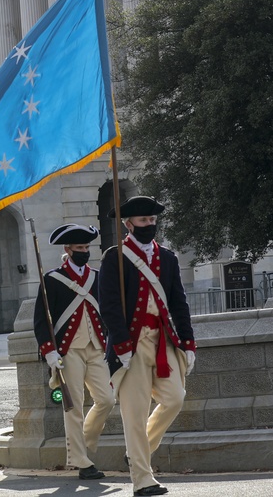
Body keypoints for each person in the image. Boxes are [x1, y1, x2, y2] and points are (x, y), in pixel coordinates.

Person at [99, 196, 196, 497]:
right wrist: (122, 343)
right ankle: (142, 478)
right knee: (135, 413)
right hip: (132, 345)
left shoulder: (167, 258)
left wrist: (188, 341)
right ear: (128, 225)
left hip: (164, 340)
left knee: (175, 399)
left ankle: (137, 453)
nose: (149, 225)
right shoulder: (113, 258)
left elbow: (179, 303)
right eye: (143, 221)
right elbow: (109, 306)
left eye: (152, 221)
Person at [33, 224, 114, 481]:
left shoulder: (97, 277)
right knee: (73, 407)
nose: (84, 252)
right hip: (68, 351)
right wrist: (49, 351)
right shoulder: (52, 280)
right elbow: (41, 321)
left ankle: (84, 442)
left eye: (86, 247)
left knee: (107, 399)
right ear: (67, 250)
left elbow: (107, 312)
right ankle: (81, 461)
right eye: (79, 248)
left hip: (96, 347)